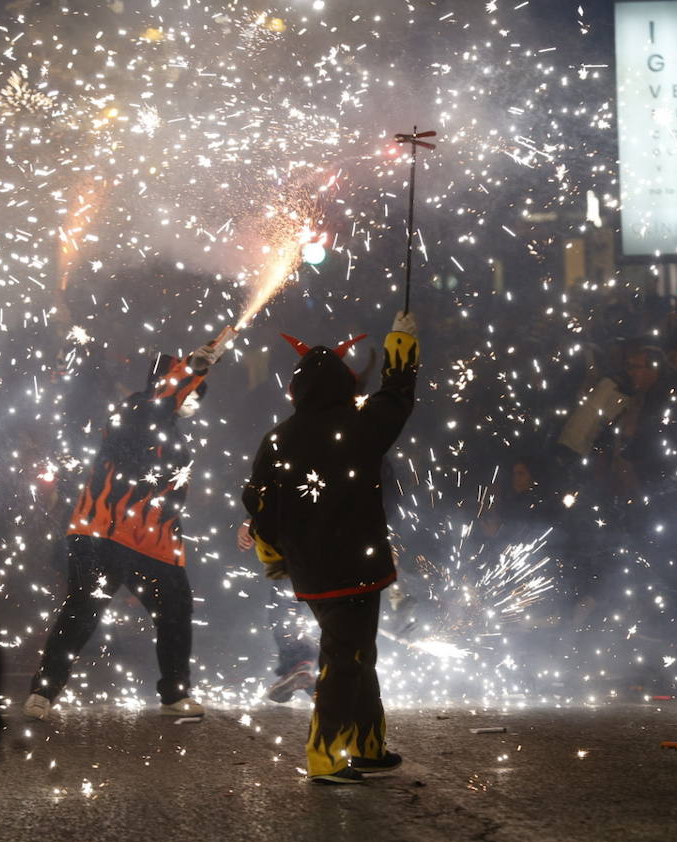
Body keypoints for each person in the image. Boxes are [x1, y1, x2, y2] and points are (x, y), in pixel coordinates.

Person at [242, 312, 418, 784]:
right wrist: (400, 342)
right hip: (358, 568)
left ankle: (367, 745)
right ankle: (325, 754)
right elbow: (397, 396)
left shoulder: (277, 438)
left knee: (355, 652)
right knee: (346, 657)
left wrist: (272, 556)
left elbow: (259, 502)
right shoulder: (360, 427)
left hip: (311, 573)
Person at [24, 341, 221, 720]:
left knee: (176, 611)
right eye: (191, 391)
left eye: (198, 393)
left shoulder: (175, 434)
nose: (195, 400)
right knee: (82, 611)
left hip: (155, 543)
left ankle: (175, 694)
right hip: (103, 533)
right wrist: (192, 369)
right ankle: (44, 692)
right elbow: (157, 407)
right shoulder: (135, 409)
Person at [237, 517, 319, 702]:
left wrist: (252, 521)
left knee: (285, 605)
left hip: (301, 537)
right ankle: (331, 679)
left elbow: (277, 491)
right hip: (336, 537)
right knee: (334, 615)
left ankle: (302, 665)